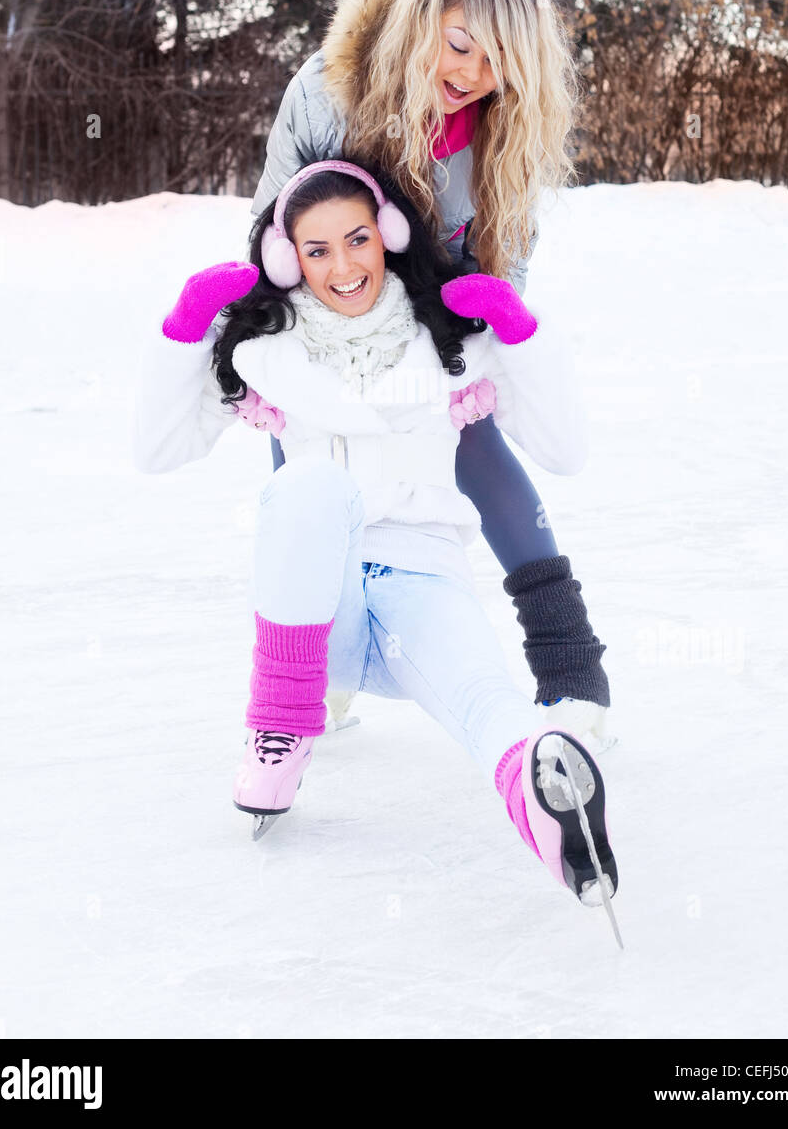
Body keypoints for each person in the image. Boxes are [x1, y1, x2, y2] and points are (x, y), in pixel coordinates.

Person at [133, 161, 618, 908]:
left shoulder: (449, 337)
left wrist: (519, 332)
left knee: (490, 701)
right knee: (308, 485)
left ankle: (548, 804)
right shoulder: (265, 348)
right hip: (316, 615)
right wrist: (185, 329)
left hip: (423, 584)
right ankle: (282, 728)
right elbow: (157, 451)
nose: (343, 265)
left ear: (388, 235)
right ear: (287, 258)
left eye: (358, 239)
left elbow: (565, 450)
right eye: (317, 249)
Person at [242, 0, 610, 735]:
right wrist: (276, 339)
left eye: (499, 59)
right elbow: (271, 221)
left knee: (476, 447)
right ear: (423, 21)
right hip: (326, 305)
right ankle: (306, 670)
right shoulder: (325, 91)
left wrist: (478, 355)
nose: (473, 71)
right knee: (307, 464)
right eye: (459, 43)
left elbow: (504, 264)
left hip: (434, 323)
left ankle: (572, 665)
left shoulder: (499, 134)